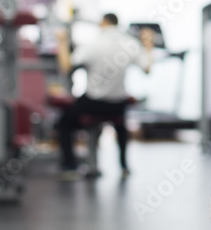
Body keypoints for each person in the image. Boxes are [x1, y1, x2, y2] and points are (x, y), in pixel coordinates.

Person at [55, 13, 153, 178]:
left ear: (103, 22)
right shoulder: (130, 43)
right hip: (118, 104)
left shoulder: (93, 43)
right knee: (120, 123)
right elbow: (147, 68)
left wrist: (62, 41)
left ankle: (69, 167)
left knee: (63, 125)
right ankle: (124, 166)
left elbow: (66, 67)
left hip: (93, 102)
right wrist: (148, 45)